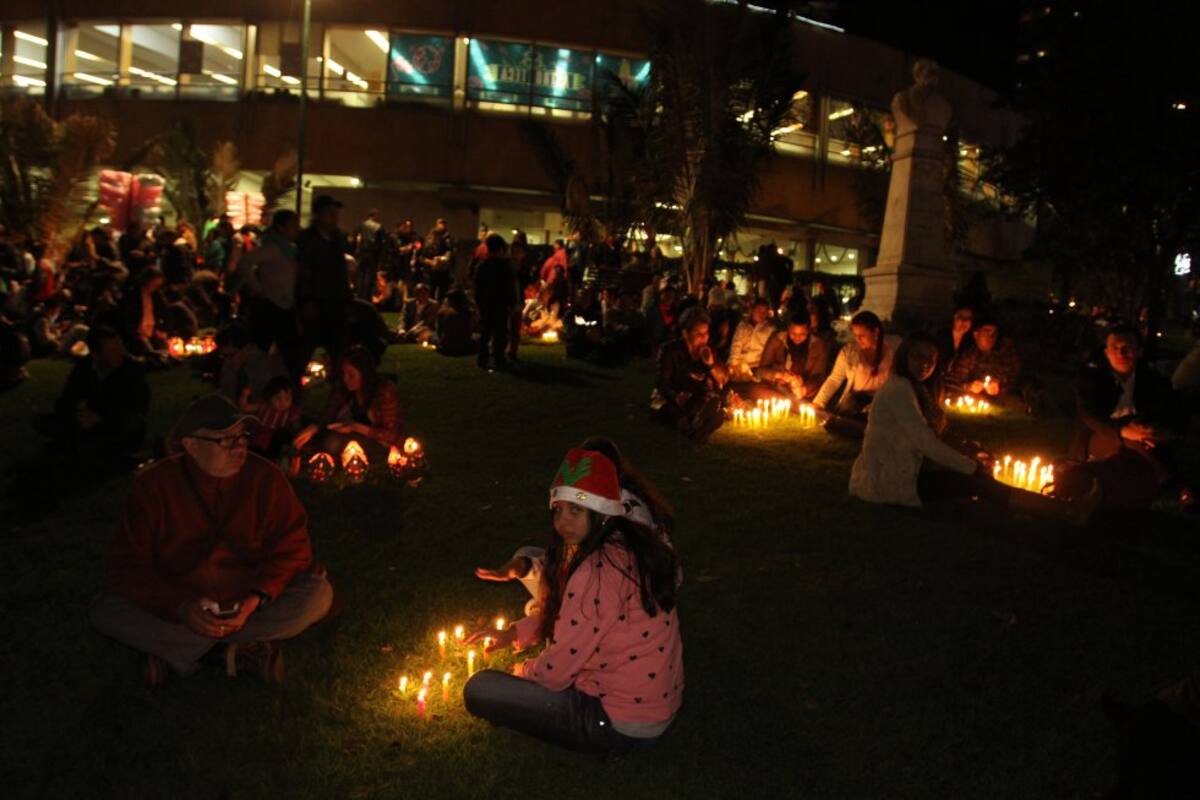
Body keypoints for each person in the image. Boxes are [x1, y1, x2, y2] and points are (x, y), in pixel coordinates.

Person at [90, 394, 334, 686]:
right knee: (105, 609)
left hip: (249, 601)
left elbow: (293, 548)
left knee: (317, 594)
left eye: (242, 436)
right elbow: (125, 566)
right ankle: (233, 654)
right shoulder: (153, 489)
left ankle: (178, 652)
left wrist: (256, 598)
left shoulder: (265, 478)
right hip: (181, 604)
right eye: (225, 440)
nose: (240, 446)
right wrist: (180, 607)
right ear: (191, 445)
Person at [463, 447, 683, 752]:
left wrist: (524, 673)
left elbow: (556, 673)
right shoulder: (626, 542)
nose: (563, 522)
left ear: (600, 512)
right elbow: (573, 613)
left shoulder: (597, 570)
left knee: (480, 687)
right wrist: (514, 633)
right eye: (558, 510)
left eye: (575, 511)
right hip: (657, 709)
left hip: (618, 724)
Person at [849, 333, 1098, 523]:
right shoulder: (898, 389)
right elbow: (925, 441)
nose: (925, 364)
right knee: (978, 482)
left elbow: (937, 435)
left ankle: (1037, 505)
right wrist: (970, 466)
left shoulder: (917, 388)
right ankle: (1067, 509)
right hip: (892, 480)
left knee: (975, 479)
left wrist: (968, 449)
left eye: (931, 359)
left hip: (908, 470)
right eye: (918, 356)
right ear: (904, 356)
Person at [1063, 325, 1186, 508]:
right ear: (1106, 352)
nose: (1121, 353)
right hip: (1099, 436)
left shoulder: (1152, 380)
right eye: (1115, 347)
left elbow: (1168, 410)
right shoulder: (1091, 379)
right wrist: (1124, 431)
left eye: (1127, 347)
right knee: (1133, 442)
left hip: (1141, 439)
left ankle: (1155, 487)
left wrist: (1154, 431)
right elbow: (1090, 416)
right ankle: (1171, 485)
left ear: (1139, 351)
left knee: (1137, 447)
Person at [32, 326, 149, 467]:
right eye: (113, 350)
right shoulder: (85, 367)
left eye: (121, 347)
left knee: (129, 425)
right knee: (44, 421)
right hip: (87, 421)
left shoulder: (132, 369)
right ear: (96, 354)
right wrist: (78, 412)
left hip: (115, 424)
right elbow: (67, 397)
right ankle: (81, 446)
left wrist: (101, 417)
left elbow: (137, 409)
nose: (121, 353)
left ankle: (78, 447)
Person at [293, 344, 404, 463]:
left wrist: (354, 426)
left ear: (365, 374)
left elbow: (391, 435)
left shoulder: (385, 392)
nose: (346, 379)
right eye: (343, 373)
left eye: (351, 375)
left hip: (376, 439)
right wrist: (314, 428)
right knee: (308, 429)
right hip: (348, 430)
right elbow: (329, 411)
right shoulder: (343, 386)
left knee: (331, 443)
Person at [650, 307, 729, 441]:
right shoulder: (669, 350)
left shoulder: (708, 351)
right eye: (698, 334)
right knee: (677, 412)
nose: (704, 338)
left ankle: (696, 426)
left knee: (712, 408)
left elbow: (723, 379)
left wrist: (710, 365)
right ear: (686, 334)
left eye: (706, 333)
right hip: (673, 399)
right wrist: (676, 396)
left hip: (698, 399)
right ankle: (696, 428)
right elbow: (661, 383)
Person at [238, 209, 302, 375]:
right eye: (293, 226)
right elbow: (245, 262)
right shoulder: (272, 248)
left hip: (287, 304)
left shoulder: (290, 248)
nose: (297, 229)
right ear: (281, 228)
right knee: (264, 347)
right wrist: (258, 288)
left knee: (289, 349)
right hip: (272, 304)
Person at [813, 310, 898, 419]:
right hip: (856, 402)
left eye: (862, 335)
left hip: (884, 401)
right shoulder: (849, 352)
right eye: (855, 335)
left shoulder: (894, 349)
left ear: (876, 332)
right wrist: (818, 403)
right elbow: (834, 379)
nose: (858, 339)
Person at [297, 195, 351, 365]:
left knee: (338, 349)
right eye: (330, 213)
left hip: (336, 302)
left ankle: (338, 384)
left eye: (336, 213)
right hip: (316, 302)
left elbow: (340, 270)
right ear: (318, 215)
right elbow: (303, 272)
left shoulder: (337, 239)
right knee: (305, 347)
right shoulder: (307, 240)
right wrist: (307, 300)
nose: (335, 218)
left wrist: (346, 296)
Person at [945, 314, 1022, 404]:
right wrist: (969, 386)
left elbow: (1016, 377)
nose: (991, 336)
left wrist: (1000, 387)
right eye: (986, 331)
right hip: (973, 397)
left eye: (994, 333)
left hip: (1001, 397)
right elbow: (955, 379)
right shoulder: (969, 354)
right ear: (976, 334)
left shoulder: (1006, 351)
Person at [756, 316, 831, 402]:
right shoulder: (777, 339)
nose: (797, 337)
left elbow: (819, 376)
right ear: (788, 329)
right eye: (793, 333)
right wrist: (779, 375)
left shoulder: (818, 345)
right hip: (775, 389)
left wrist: (804, 389)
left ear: (808, 331)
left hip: (803, 394)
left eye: (802, 334)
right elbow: (760, 371)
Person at [474, 233, 516, 371]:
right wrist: (512, 302)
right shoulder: (505, 267)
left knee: (485, 332)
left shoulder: (482, 266)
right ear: (500, 249)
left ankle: (482, 359)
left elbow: (477, 287)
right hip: (501, 304)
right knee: (500, 333)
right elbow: (510, 287)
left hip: (486, 304)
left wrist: (478, 303)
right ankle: (498, 359)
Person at [249, 375, 303, 459]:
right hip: (258, 436)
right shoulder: (264, 405)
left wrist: (297, 429)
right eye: (278, 398)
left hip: (276, 440)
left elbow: (295, 424)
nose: (283, 402)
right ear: (270, 397)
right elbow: (246, 407)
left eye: (287, 398)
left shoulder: (291, 412)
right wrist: (244, 396)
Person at [726, 297, 776, 382]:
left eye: (764, 312)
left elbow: (770, 352)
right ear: (752, 310)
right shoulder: (742, 326)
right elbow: (736, 345)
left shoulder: (769, 329)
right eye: (759, 311)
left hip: (757, 367)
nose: (762, 314)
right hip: (740, 364)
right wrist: (732, 363)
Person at [352, 209, 385, 302]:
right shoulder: (379, 226)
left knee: (360, 275)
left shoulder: (362, 225)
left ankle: (359, 295)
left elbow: (355, 237)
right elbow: (382, 243)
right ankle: (366, 297)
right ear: (375, 215)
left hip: (362, 253)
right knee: (369, 276)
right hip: (373, 254)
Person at [936, 305, 975, 381]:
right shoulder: (941, 335)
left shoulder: (970, 341)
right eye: (961, 317)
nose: (964, 321)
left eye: (968, 318)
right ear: (954, 317)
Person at [421, 218, 455, 300]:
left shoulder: (446, 240)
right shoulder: (428, 243)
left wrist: (443, 259)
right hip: (431, 271)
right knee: (431, 291)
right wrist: (430, 262)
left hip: (442, 271)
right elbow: (421, 257)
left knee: (442, 293)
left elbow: (449, 253)